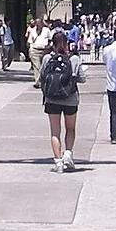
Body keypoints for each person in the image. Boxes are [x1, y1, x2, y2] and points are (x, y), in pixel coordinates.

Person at [39, 34, 86, 171]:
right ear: (66, 44)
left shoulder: (47, 58)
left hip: (51, 99)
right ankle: (68, 154)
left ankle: (58, 162)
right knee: (70, 128)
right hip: (70, 98)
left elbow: (42, 77)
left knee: (55, 131)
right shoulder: (74, 59)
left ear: (52, 44)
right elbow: (82, 79)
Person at [29, 19, 53, 85]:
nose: (39, 25)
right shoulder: (32, 31)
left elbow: (50, 39)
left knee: (44, 66)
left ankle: (44, 80)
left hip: (45, 50)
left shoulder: (46, 30)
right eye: (37, 23)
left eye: (40, 23)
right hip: (35, 50)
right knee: (37, 67)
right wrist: (31, 51)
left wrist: (49, 46)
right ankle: (38, 82)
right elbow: (30, 41)